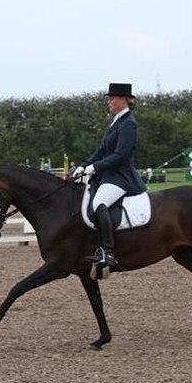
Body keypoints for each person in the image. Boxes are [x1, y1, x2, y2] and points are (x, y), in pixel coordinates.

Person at [71, 83, 146, 270]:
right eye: (109, 99)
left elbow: (121, 155)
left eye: (112, 99)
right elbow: (101, 151)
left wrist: (94, 167)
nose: (109, 102)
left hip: (121, 177)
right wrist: (83, 166)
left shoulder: (129, 123)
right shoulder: (116, 122)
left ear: (123, 99)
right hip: (108, 176)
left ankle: (107, 251)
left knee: (98, 204)